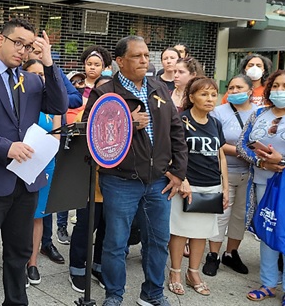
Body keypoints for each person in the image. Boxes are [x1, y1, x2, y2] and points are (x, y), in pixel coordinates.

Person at [0, 18, 67, 305]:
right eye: (18, 43)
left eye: (28, 46)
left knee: (19, 252)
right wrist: (5, 147)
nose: (22, 50)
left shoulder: (33, 80)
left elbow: (59, 105)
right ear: (1, 40)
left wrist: (48, 63)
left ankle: (16, 301)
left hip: (26, 181)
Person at [82, 35, 188, 306]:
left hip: (159, 182)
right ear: (119, 61)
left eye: (146, 55)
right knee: (116, 243)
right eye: (137, 56)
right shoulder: (104, 93)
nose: (144, 60)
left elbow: (176, 131)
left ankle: (152, 293)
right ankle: (114, 295)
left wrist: (178, 171)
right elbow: (89, 134)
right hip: (120, 181)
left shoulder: (159, 88)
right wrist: (125, 122)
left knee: (157, 241)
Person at [167, 77, 229, 297]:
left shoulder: (215, 123)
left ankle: (193, 273)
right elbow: (170, 153)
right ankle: (175, 272)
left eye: (213, 94)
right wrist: (181, 179)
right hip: (185, 186)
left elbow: (220, 155)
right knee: (180, 232)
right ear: (191, 97)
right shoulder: (181, 120)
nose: (210, 98)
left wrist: (226, 187)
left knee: (201, 233)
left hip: (211, 186)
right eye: (204, 94)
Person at [27, 40, 85, 248]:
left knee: (45, 202)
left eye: (39, 50)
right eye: (31, 50)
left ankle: (46, 244)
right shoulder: (18, 72)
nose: (35, 53)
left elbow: (75, 98)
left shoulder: (53, 72)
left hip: (50, 143)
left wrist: (51, 97)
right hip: (23, 150)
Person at [202, 74, 256, 277]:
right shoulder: (218, 112)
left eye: (239, 88)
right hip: (224, 172)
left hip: (249, 173)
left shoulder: (258, 113)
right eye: (231, 88)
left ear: (250, 91)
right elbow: (216, 142)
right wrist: (245, 152)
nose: (234, 91)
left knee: (240, 217)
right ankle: (213, 256)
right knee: (221, 215)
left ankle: (231, 253)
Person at [238, 70, 285, 302]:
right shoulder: (259, 114)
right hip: (262, 184)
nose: (279, 90)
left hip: (283, 187)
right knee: (267, 231)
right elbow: (241, 145)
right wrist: (261, 162)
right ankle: (268, 284)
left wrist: (282, 162)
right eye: (276, 85)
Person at [68, 76, 110, 293]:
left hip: (113, 185)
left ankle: (99, 266)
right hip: (88, 185)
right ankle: (77, 268)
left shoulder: (122, 117)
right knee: (85, 228)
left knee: (106, 229)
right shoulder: (83, 116)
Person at [22, 58, 62, 285]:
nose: (39, 78)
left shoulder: (53, 103)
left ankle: (33, 262)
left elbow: (56, 137)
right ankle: (17, 261)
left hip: (45, 164)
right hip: (21, 162)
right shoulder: (19, 100)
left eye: (42, 74)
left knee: (38, 217)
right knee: (19, 216)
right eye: (33, 74)